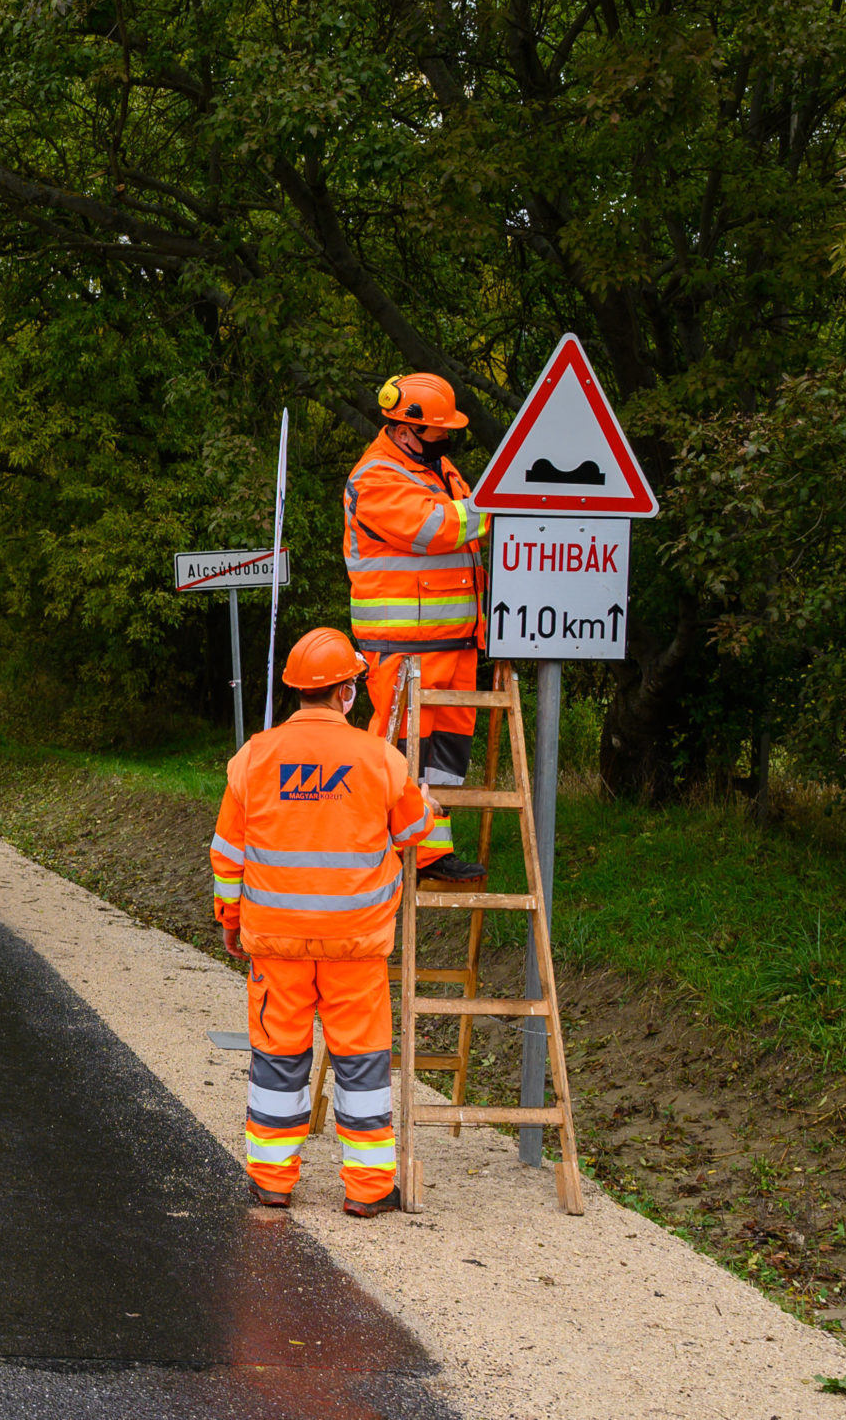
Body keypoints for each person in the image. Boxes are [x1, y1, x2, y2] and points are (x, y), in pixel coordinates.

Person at [210, 628, 440, 1217]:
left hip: (276, 943)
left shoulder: (254, 758)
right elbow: (416, 834)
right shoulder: (378, 757)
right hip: (356, 944)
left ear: (295, 691)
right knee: (361, 1061)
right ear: (344, 691)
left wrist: (230, 921)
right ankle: (367, 1191)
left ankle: (272, 1184)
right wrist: (430, 804)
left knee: (278, 1060)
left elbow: (228, 857)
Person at [343, 372, 487, 881]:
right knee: (400, 759)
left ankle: (431, 854)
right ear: (404, 430)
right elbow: (437, 528)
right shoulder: (376, 477)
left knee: (442, 762)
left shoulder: (439, 468)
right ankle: (377, 853)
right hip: (405, 648)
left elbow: (465, 525)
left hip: (455, 643)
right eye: (436, 432)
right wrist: (497, 505)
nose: (446, 439)